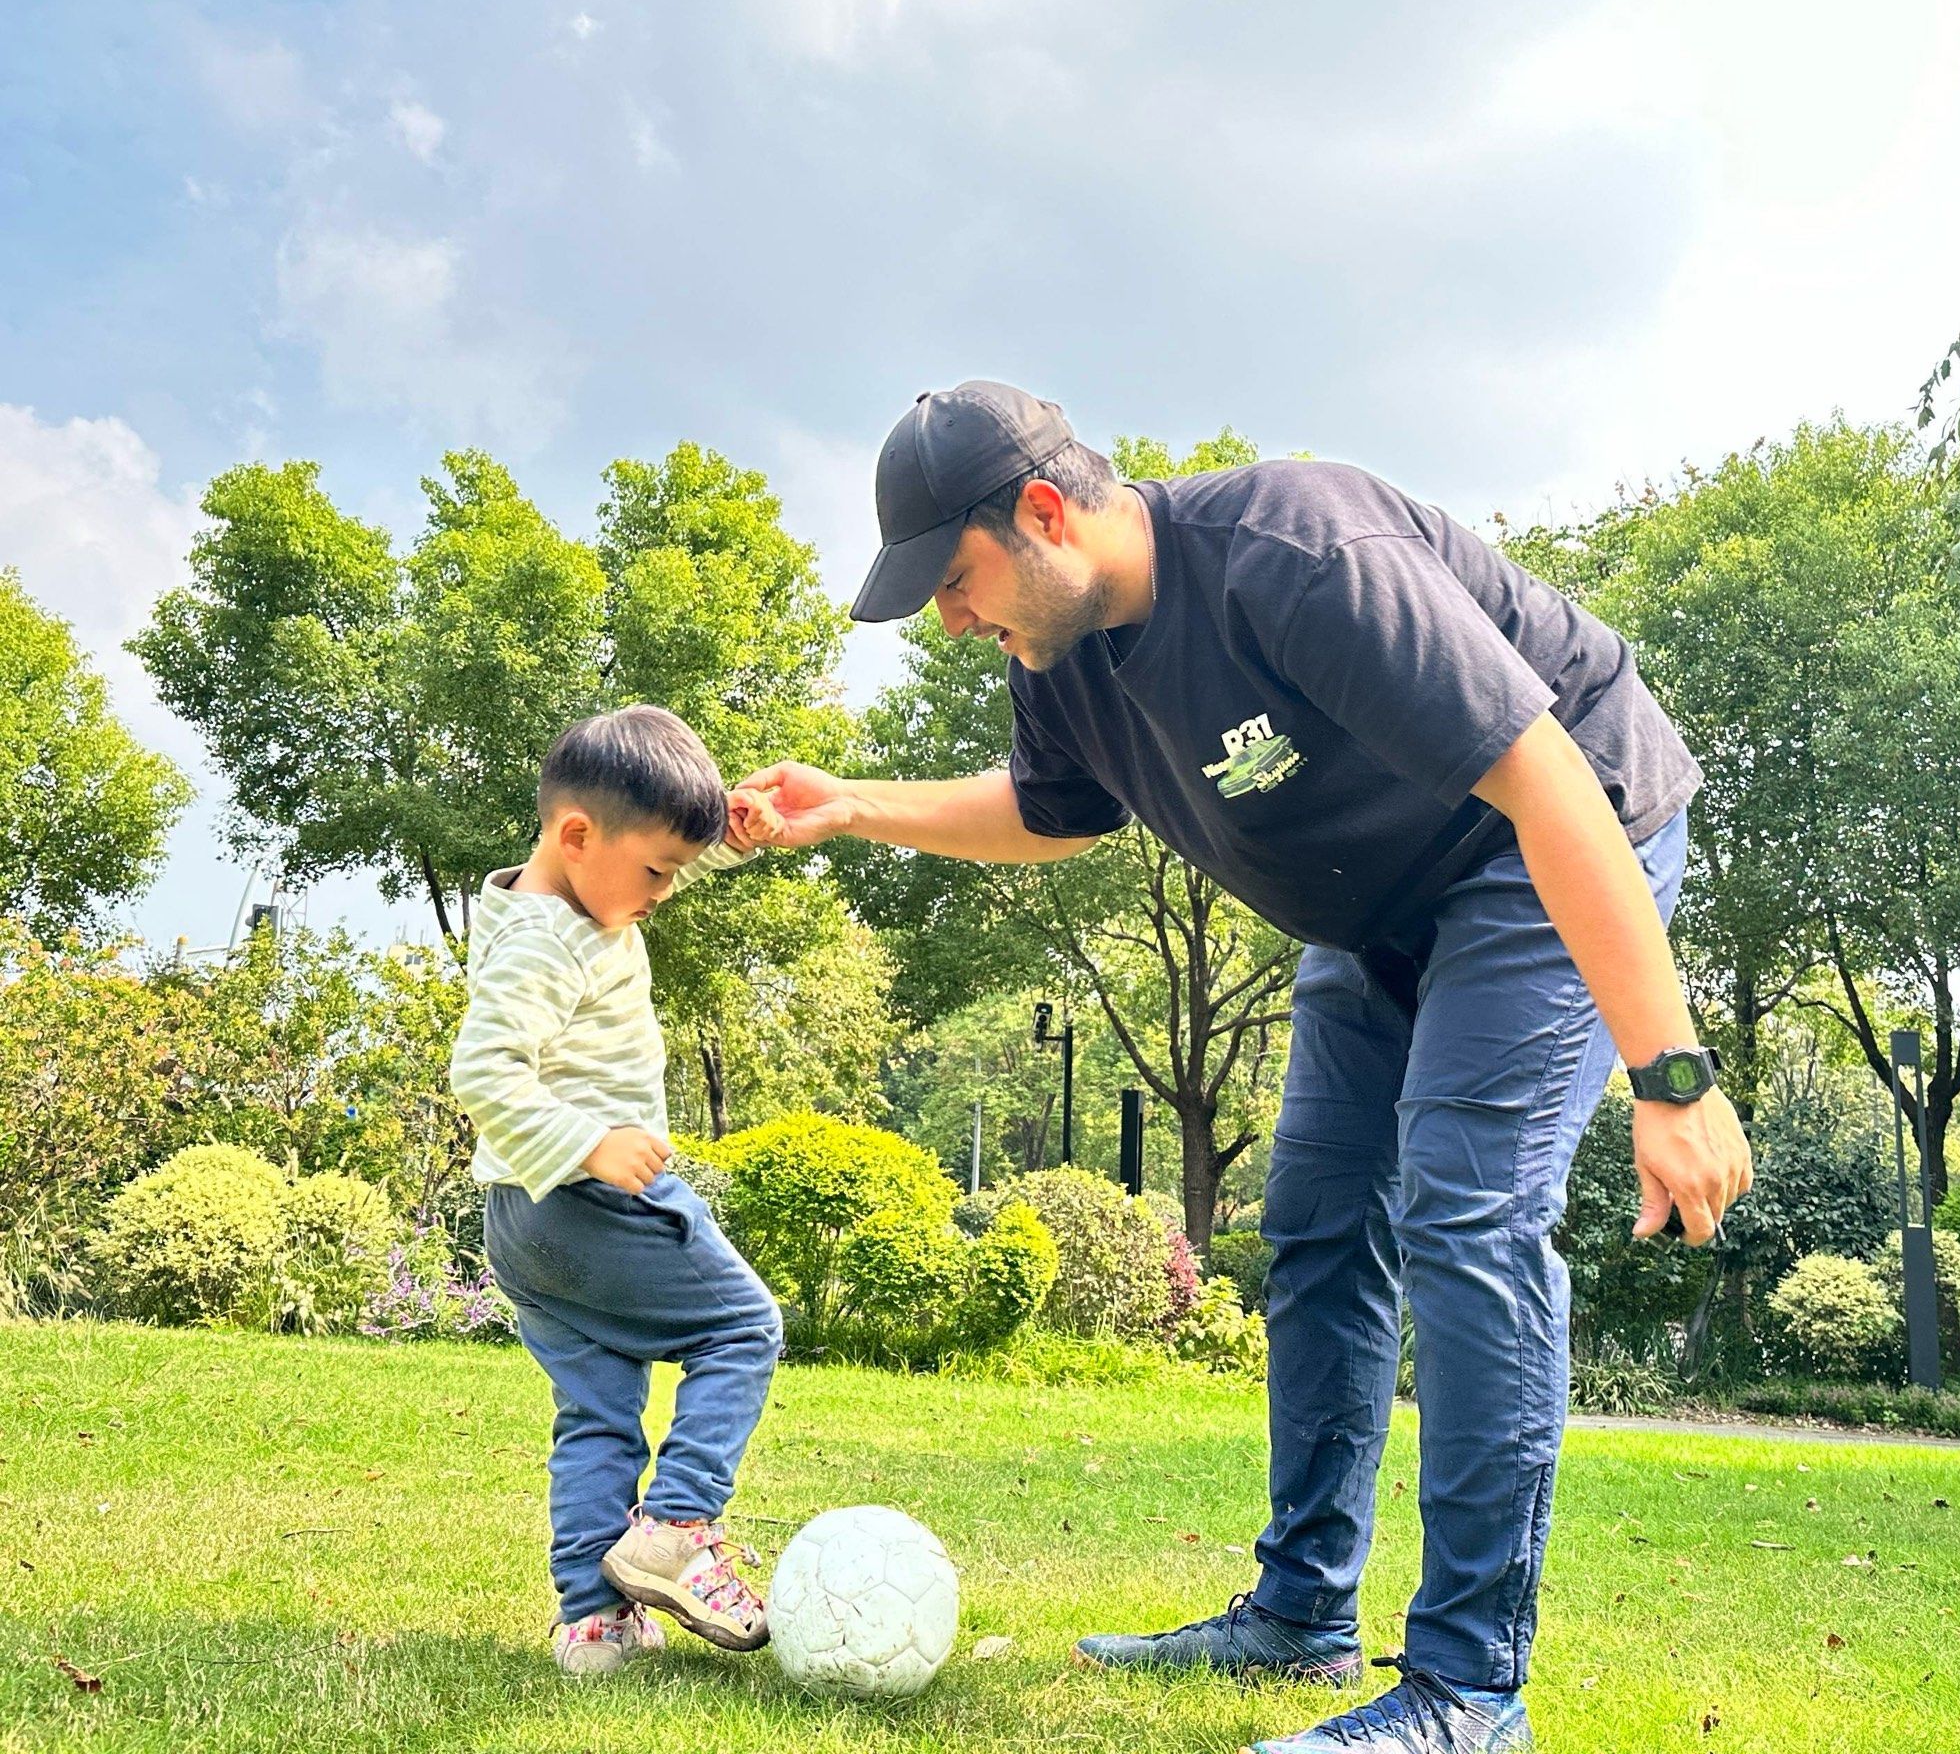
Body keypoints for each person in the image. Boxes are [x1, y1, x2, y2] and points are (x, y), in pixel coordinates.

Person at [740, 382, 1756, 1754]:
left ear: (1042, 513)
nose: (953, 619)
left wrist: (1669, 1076)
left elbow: (1548, 780)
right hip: (1375, 913)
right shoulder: (1061, 662)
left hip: (1542, 851)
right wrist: (853, 805)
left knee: (1467, 1210)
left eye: (956, 580)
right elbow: (1049, 814)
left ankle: (1469, 1692)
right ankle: (1298, 1612)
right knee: (1320, 1222)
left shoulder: (1296, 554)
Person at [450, 703, 793, 1678]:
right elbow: (483, 1071)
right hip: (589, 1199)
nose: (663, 892)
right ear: (575, 835)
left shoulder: (568, 897)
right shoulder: (545, 944)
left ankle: (594, 1621)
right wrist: (591, 1143)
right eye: (658, 872)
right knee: (741, 1328)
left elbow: (637, 854)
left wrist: (731, 838)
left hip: (524, 1218)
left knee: (598, 1412)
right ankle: (677, 1527)